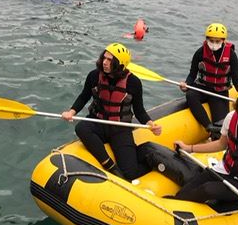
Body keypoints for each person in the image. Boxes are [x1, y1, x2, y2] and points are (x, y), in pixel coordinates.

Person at [61, 43, 162, 180]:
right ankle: (110, 166)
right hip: (98, 122)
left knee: (130, 174)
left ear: (119, 64)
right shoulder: (94, 76)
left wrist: (151, 124)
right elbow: (84, 96)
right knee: (81, 127)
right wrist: (71, 112)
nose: (104, 62)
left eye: (110, 60)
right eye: (104, 58)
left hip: (120, 129)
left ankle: (151, 161)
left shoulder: (134, 82)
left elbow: (139, 110)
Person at [179, 23, 238, 138]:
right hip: (202, 87)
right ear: (206, 39)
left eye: (217, 41)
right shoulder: (200, 52)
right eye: (211, 40)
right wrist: (186, 84)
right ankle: (208, 125)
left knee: (221, 128)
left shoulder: (231, 55)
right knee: (190, 95)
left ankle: (215, 134)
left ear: (223, 40)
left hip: (220, 92)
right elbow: (192, 74)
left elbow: (236, 79)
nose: (214, 44)